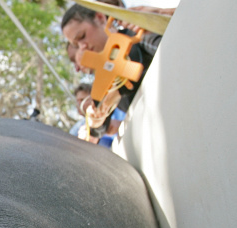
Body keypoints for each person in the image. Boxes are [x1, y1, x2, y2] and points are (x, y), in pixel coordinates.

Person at [61, 3, 170, 133]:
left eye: (82, 36)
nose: (82, 46)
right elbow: (100, 128)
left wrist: (119, 90)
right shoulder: (102, 77)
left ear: (100, 18)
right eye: (76, 45)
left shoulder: (137, 36)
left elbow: (171, 51)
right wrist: (95, 120)